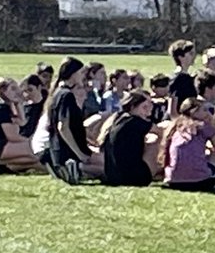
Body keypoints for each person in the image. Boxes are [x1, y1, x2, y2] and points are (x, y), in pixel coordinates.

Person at [45, 56, 103, 184]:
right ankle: (75, 168)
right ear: (73, 73)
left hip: (60, 150)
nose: (83, 76)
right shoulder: (67, 96)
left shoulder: (57, 94)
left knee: (105, 161)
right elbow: (63, 127)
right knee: (107, 170)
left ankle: (68, 169)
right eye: (81, 72)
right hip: (69, 152)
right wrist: (80, 154)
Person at [160, 98, 215, 191]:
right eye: (204, 110)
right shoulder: (203, 126)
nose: (207, 113)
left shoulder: (174, 126)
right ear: (194, 112)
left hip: (173, 181)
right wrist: (214, 125)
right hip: (199, 182)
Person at [101, 90, 159, 187]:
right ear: (132, 107)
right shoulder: (136, 121)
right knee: (154, 139)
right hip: (133, 178)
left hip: (112, 176)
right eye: (144, 107)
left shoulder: (117, 119)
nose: (148, 112)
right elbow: (159, 131)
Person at [167, 40, 198, 118]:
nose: (194, 56)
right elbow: (172, 111)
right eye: (190, 54)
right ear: (180, 57)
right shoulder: (177, 79)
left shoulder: (188, 77)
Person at [19, 74, 45, 139]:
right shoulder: (24, 107)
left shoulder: (46, 106)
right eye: (25, 91)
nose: (27, 94)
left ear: (39, 87)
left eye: (30, 90)